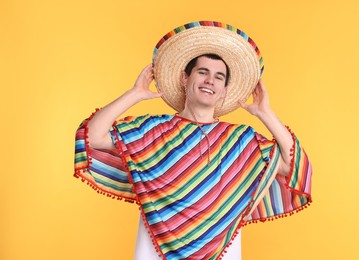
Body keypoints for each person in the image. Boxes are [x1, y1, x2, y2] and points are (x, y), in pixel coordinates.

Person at [74, 21, 312, 260]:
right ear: (185, 78)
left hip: (221, 253)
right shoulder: (152, 130)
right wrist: (134, 94)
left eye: (219, 77)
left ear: (224, 90)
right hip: (155, 250)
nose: (210, 81)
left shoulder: (241, 140)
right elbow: (92, 136)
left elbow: (294, 167)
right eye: (203, 72)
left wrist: (265, 113)